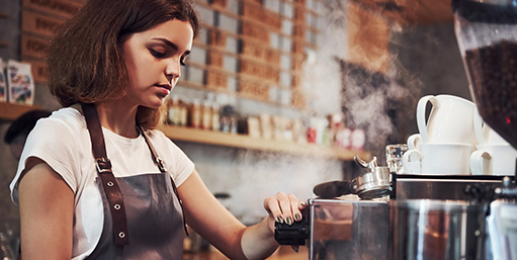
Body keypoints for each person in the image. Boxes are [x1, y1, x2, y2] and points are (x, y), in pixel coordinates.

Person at [8, 0, 305, 259]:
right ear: (109, 45)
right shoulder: (60, 138)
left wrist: (271, 226)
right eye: (160, 51)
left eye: (182, 59)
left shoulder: (160, 151)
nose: (174, 70)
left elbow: (239, 244)